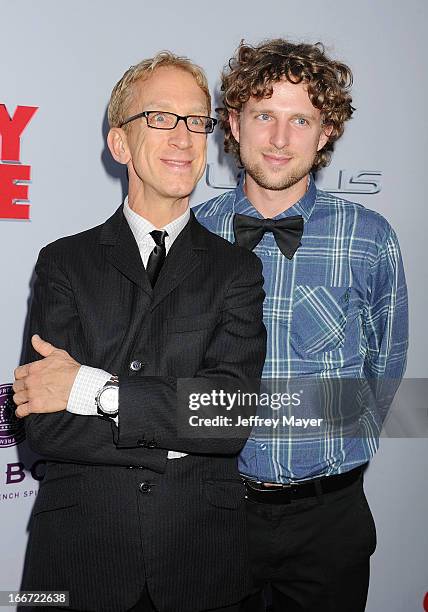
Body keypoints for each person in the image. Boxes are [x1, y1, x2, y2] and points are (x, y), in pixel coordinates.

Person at [13, 52, 266, 612]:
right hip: (80, 557)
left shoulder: (237, 271)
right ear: (119, 144)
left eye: (196, 120)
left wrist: (91, 392)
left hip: (200, 560)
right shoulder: (63, 263)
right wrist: (173, 439)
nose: (183, 137)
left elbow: (228, 418)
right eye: (160, 118)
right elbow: (46, 427)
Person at [193, 39, 408, 612]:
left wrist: (339, 446)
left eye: (301, 119)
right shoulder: (191, 236)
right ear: (234, 124)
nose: (281, 139)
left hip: (328, 522)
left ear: (327, 131)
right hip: (212, 513)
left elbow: (387, 361)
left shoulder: (370, 237)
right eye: (264, 115)